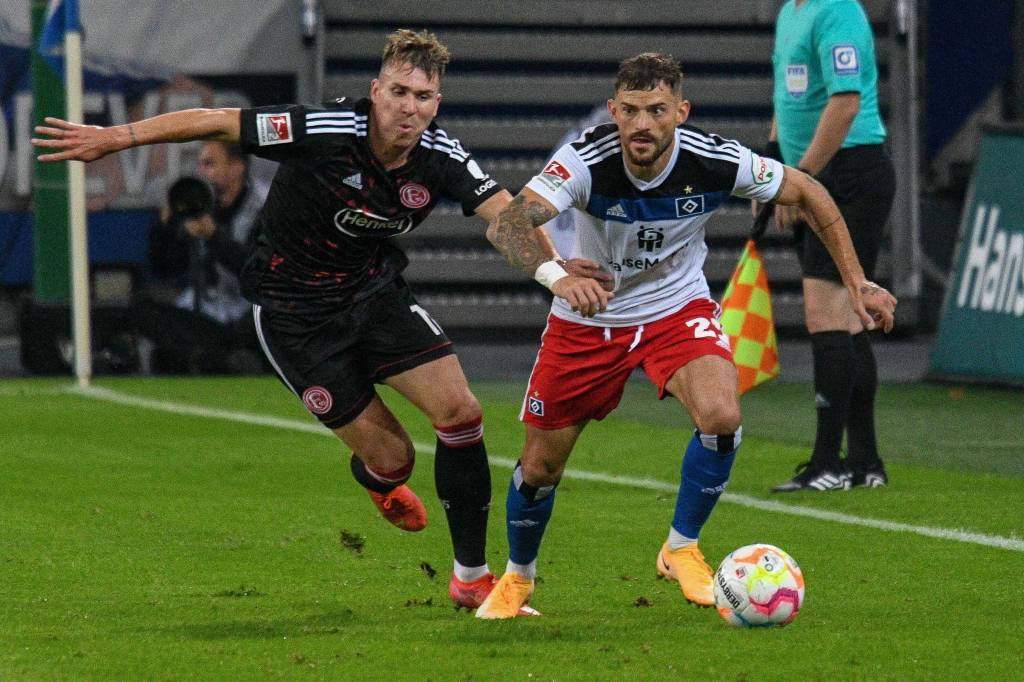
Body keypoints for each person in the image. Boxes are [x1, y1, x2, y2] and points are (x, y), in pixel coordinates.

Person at [32, 29, 606, 610]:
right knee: (395, 459)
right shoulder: (326, 131)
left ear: (437, 103)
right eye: (400, 92)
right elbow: (216, 120)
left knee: (461, 413)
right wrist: (116, 137)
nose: (410, 108)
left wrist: (557, 271)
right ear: (375, 90)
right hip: (292, 316)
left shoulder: (440, 157)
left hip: (374, 296)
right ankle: (379, 481)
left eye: (425, 97)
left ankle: (470, 577)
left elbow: (506, 217)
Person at [473, 52, 897, 619]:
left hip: (675, 307)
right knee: (542, 467)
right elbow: (509, 222)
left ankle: (680, 548)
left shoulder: (715, 159)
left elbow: (810, 193)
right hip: (590, 318)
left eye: (656, 110)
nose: (641, 124)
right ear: (613, 111)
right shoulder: (585, 160)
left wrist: (857, 282)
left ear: (681, 111)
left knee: (722, 416)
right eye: (629, 110)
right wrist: (557, 276)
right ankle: (519, 578)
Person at [765, 0, 896, 492]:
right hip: (811, 176)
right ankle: (864, 462)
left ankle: (828, 465)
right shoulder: (790, 12)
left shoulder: (838, 9)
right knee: (847, 320)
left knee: (827, 313)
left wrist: (801, 178)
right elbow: (786, 101)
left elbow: (845, 102)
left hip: (849, 174)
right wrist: (771, 172)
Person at [137, 140, 269, 373]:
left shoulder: (263, 206)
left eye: (209, 164)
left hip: (250, 313)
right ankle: (221, 358)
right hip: (209, 314)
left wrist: (214, 236)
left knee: (271, 313)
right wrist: (165, 225)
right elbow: (164, 269)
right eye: (200, 165)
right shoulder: (200, 203)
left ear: (236, 167)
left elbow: (259, 270)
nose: (202, 173)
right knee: (144, 306)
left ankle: (221, 357)